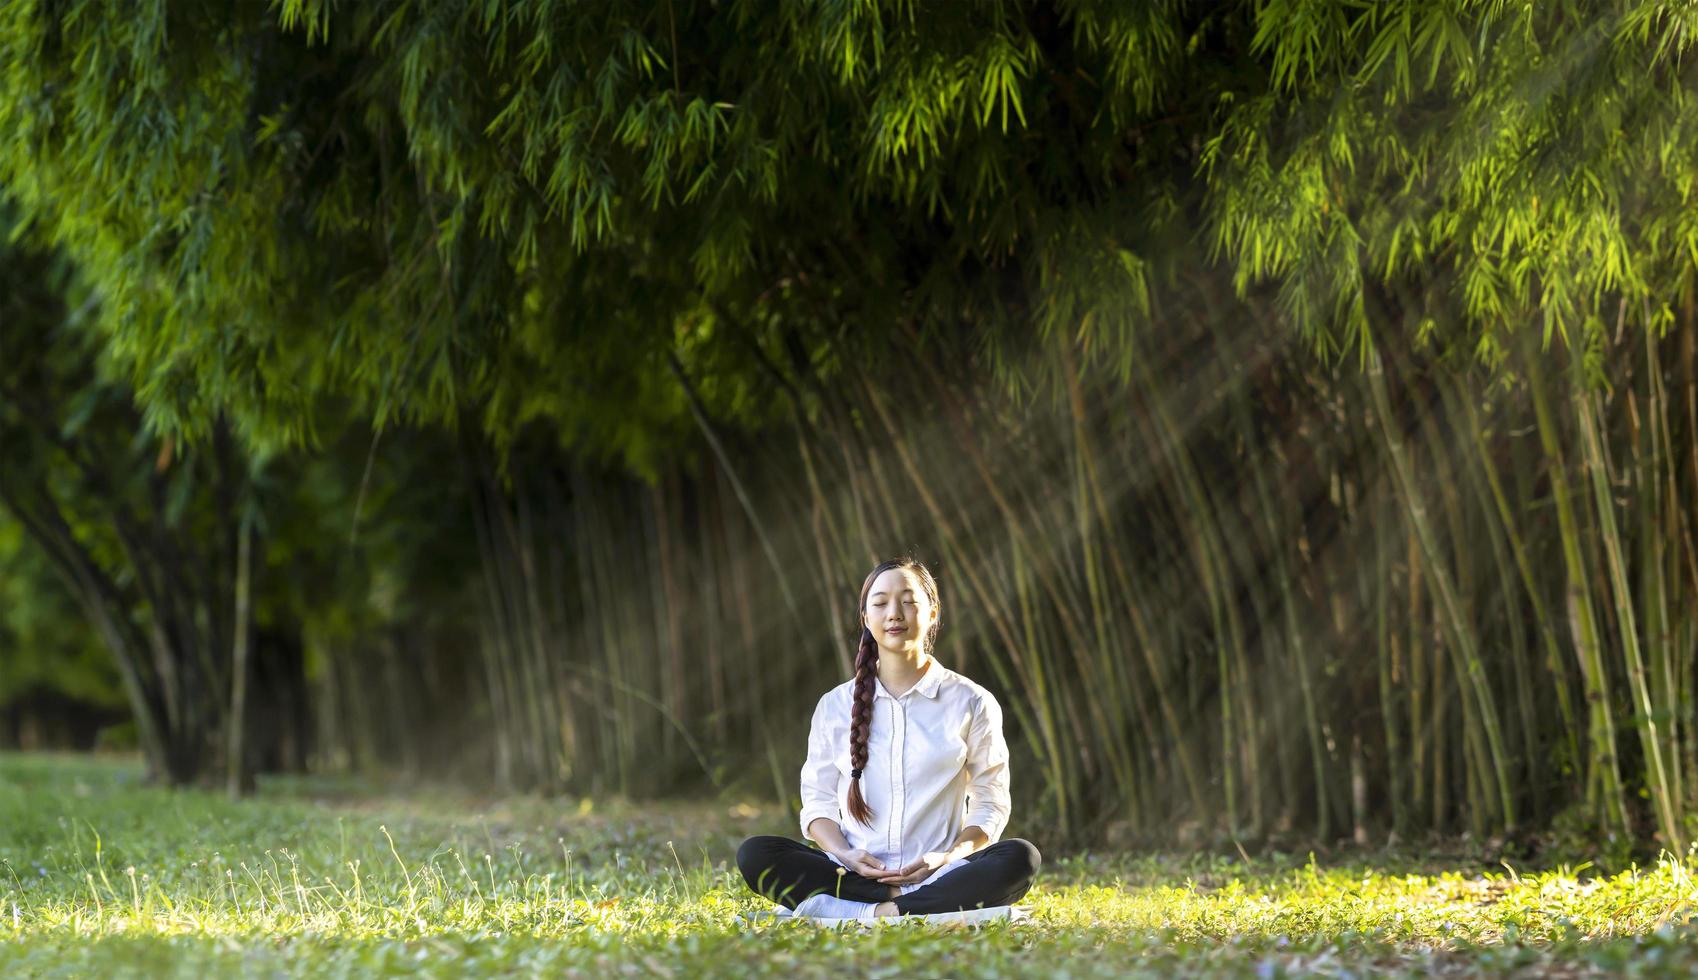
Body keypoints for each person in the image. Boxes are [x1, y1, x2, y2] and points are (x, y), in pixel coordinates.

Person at [736, 556, 1041, 920]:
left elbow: (990, 802)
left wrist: (947, 857)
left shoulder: (971, 701)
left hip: (941, 874)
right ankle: (903, 907)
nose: (894, 613)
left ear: (932, 613)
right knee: (756, 854)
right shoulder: (835, 705)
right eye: (880, 603)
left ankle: (868, 913)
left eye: (909, 601)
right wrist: (846, 856)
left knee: (1021, 858)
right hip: (852, 875)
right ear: (866, 618)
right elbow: (816, 803)